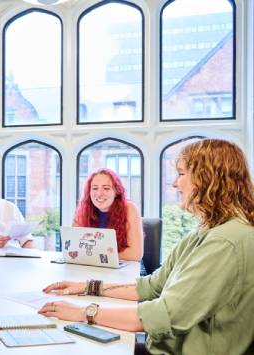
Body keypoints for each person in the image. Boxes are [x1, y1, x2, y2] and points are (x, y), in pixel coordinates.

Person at [39, 139, 254, 355]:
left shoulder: (225, 242)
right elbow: (152, 287)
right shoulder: (202, 232)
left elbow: (165, 314)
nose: (174, 184)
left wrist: (82, 312)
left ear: (208, 178)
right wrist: (87, 286)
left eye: (181, 174)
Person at [73, 168, 143, 261]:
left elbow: (135, 254)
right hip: (95, 266)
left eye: (106, 188)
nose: (99, 193)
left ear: (116, 191)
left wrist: (93, 255)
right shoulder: (83, 209)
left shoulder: (130, 208)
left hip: (126, 267)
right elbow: (73, 248)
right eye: (94, 188)